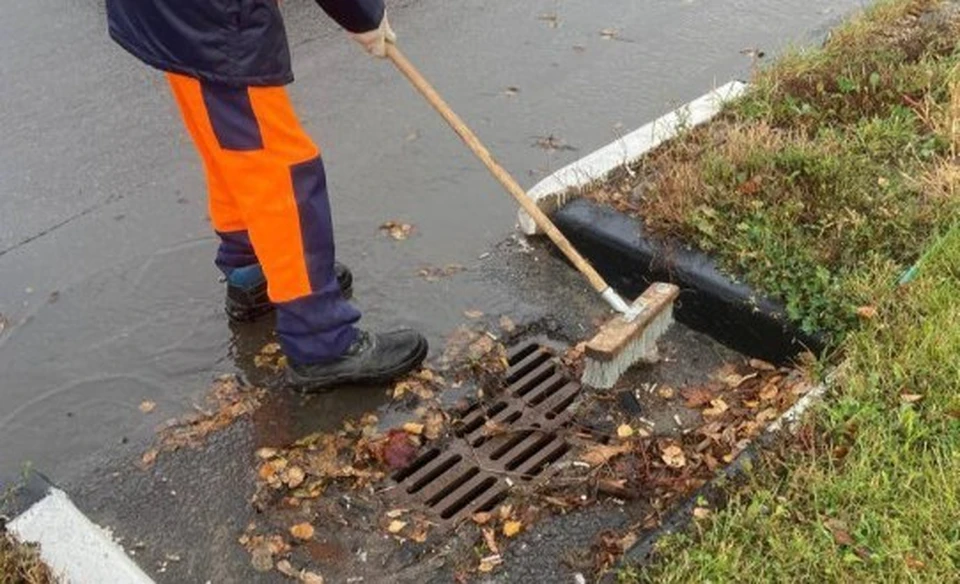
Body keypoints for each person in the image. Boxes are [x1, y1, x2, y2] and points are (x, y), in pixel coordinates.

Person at [105, 0, 427, 391]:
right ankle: (321, 337)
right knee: (281, 167)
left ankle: (253, 270)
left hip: (175, 14)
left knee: (229, 147)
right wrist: (364, 16)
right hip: (215, 19)